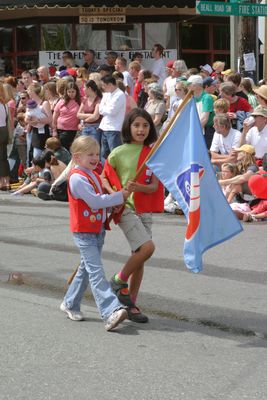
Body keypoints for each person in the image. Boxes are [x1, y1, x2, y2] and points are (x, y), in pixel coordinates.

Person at [60, 135, 129, 331]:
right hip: (84, 232)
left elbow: (100, 202)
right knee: (96, 272)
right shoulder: (77, 178)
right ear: (76, 156)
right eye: (90, 154)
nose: (95, 158)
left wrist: (111, 207)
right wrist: (117, 197)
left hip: (97, 229)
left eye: (97, 154)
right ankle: (111, 311)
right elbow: (95, 201)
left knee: (86, 269)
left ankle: (70, 303)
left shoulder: (91, 173)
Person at [102, 108, 164, 323]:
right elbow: (104, 179)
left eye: (145, 125)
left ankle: (131, 304)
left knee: (141, 257)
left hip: (145, 210)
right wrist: (116, 195)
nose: (141, 129)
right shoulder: (118, 152)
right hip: (125, 208)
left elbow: (155, 186)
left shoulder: (153, 153)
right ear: (128, 127)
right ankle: (119, 280)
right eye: (136, 125)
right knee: (148, 248)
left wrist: (139, 187)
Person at [98, 75, 126, 162]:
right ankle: (105, 173)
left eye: (103, 85)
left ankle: (115, 173)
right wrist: (105, 108)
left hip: (114, 128)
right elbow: (100, 110)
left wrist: (104, 108)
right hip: (104, 127)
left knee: (114, 154)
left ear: (110, 84)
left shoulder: (120, 95)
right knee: (104, 154)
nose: (102, 87)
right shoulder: (106, 94)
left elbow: (112, 111)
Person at [52, 81, 80, 151]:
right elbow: (55, 117)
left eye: (73, 92)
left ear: (76, 91)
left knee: (65, 148)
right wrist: (54, 130)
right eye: (69, 92)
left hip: (71, 129)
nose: (71, 94)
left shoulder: (80, 101)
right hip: (59, 128)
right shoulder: (62, 101)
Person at [77, 79, 102, 145]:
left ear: (89, 88)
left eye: (84, 87)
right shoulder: (84, 100)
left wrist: (84, 118)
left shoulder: (98, 100)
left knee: (93, 147)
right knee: (84, 147)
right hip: (85, 127)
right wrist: (91, 115)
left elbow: (96, 117)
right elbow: (78, 114)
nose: (83, 89)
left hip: (95, 128)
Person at [0, 81, 11, 190]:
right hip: (4, 131)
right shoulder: (4, 104)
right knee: (3, 157)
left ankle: (2, 182)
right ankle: (6, 181)